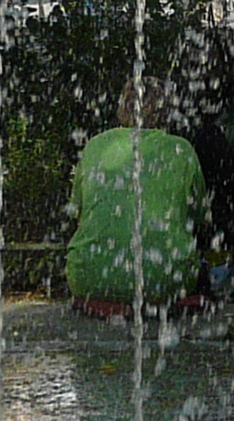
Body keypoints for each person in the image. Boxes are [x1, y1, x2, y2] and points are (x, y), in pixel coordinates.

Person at [65, 76, 207, 319]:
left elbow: (78, 210)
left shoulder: (95, 145)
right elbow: (199, 216)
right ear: (166, 110)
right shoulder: (181, 149)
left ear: (123, 106)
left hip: (90, 278)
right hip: (165, 280)